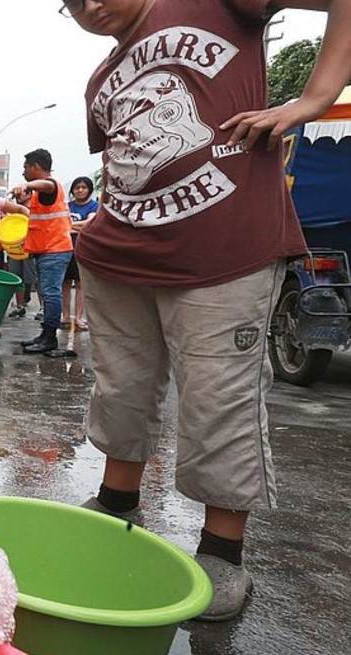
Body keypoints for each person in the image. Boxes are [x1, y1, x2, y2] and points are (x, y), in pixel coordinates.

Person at [63, 0, 349, 622]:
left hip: (226, 255)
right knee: (121, 390)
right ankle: (117, 505)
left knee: (219, 400)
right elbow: (123, 163)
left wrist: (316, 99)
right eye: (71, 3)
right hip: (118, 258)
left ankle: (222, 552)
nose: (89, 7)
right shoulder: (100, 79)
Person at [11, 149, 73, 354]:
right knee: (48, 293)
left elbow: (47, 184)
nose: (23, 172)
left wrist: (27, 185)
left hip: (54, 250)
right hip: (47, 249)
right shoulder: (40, 195)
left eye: (25, 168)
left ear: (36, 167)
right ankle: (45, 335)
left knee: (51, 294)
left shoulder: (50, 185)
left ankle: (49, 338)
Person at [64, 176, 99, 330]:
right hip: (64, 247)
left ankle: (78, 317)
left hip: (84, 247)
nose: (80, 190)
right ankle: (65, 316)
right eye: (77, 187)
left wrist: (69, 225)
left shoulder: (95, 206)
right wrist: (72, 227)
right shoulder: (66, 206)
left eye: (84, 187)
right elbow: (60, 223)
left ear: (89, 190)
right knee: (64, 283)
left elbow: (89, 224)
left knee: (80, 284)